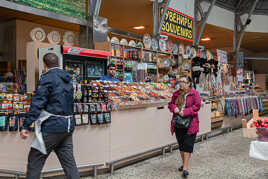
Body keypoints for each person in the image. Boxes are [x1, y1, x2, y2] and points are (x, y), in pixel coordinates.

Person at [20, 53, 80, 179]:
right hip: (68, 126)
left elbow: (37, 103)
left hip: (52, 126)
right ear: (58, 63)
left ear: (45, 65)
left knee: (35, 160)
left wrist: (26, 125)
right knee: (69, 164)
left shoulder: (47, 78)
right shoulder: (68, 78)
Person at [168, 75, 201, 178]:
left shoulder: (194, 93)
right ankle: (184, 164)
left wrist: (185, 112)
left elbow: (197, 106)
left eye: (183, 81)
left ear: (189, 83)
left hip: (191, 123)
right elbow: (171, 104)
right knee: (181, 145)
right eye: (180, 81)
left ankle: (185, 168)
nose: (181, 83)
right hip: (178, 123)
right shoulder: (176, 94)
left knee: (187, 145)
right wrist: (174, 108)